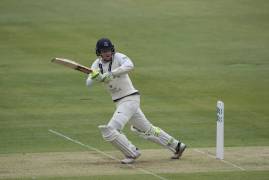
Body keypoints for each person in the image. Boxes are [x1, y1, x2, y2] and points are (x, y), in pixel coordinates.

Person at [86, 38, 186, 164]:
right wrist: (96, 77)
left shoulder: (119, 57)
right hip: (119, 102)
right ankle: (177, 146)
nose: (107, 53)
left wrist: (111, 74)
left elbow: (130, 65)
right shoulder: (96, 64)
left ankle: (132, 152)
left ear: (112, 49)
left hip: (130, 98)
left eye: (109, 50)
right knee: (147, 129)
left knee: (110, 130)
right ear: (99, 52)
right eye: (104, 51)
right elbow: (88, 83)